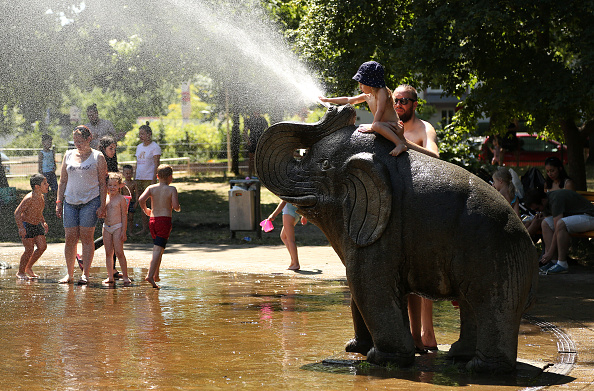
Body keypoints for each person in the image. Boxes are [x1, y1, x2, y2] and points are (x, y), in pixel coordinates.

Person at [391, 84, 439, 353]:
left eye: (404, 100)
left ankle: (427, 333)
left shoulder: (424, 129)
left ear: (415, 104)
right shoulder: (389, 125)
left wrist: (403, 141)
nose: (399, 104)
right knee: (403, 275)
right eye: (396, 100)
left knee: (422, 273)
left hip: (421, 206)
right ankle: (412, 336)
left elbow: (435, 155)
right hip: (397, 208)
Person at [319, 61, 407, 156]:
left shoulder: (382, 92)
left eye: (362, 84)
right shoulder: (368, 95)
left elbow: (380, 110)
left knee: (376, 126)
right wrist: (327, 99)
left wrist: (373, 126)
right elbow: (349, 99)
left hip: (393, 127)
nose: (360, 87)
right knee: (363, 126)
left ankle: (400, 144)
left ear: (370, 82)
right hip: (384, 126)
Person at [56, 125, 107, 285]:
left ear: (89, 139)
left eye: (80, 141)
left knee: (86, 237)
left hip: (90, 201)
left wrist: (103, 205)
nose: (77, 143)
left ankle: (85, 274)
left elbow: (102, 184)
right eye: (75, 141)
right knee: (70, 238)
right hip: (70, 201)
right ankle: (69, 274)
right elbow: (63, 180)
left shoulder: (98, 157)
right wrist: (59, 201)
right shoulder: (68, 154)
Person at [525, 188, 594, 274]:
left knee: (561, 224)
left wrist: (550, 252)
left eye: (537, 208)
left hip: (589, 216)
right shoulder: (545, 203)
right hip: (577, 217)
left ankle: (562, 263)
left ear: (542, 201)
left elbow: (558, 227)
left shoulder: (555, 200)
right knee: (545, 223)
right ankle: (553, 262)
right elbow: (552, 225)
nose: (537, 211)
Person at [138, 164, 180, 289]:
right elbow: (176, 206)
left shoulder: (151, 188)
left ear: (157, 176)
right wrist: (177, 208)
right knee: (157, 250)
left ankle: (156, 275)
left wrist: (146, 210)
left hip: (152, 221)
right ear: (170, 177)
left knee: (159, 248)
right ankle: (150, 275)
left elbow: (141, 199)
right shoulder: (172, 189)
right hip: (164, 221)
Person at [14, 174, 49, 280]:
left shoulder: (41, 196)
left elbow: (38, 211)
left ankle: (28, 267)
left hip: (36, 224)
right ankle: (20, 272)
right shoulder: (29, 198)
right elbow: (17, 212)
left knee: (42, 247)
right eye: (45, 183)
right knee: (29, 249)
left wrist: (43, 222)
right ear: (37, 186)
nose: (48, 185)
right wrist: (21, 228)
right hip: (27, 225)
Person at [102, 172, 131, 285]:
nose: (112, 187)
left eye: (115, 185)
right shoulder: (105, 198)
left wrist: (123, 231)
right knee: (108, 252)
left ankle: (125, 276)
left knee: (119, 252)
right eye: (110, 185)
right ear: (107, 186)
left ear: (120, 186)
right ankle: (110, 276)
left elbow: (124, 215)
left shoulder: (121, 199)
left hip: (117, 227)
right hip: (106, 227)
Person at [134, 122, 161, 236]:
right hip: (139, 178)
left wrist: (154, 179)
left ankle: (154, 229)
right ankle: (145, 228)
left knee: (152, 204)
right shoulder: (139, 147)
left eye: (143, 134)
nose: (141, 136)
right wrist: (135, 177)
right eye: (139, 134)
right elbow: (137, 163)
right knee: (142, 203)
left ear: (149, 134)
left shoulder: (155, 147)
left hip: (149, 179)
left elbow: (156, 164)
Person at [267, 200, 308, 271]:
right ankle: (293, 260)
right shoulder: (296, 189)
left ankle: (296, 264)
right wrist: (304, 216)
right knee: (284, 236)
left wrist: (273, 215)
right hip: (295, 214)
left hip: (288, 214)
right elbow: (303, 201)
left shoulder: (287, 189)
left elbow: (283, 202)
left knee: (291, 240)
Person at [244, 111, 269, 177]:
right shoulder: (249, 120)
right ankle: (250, 175)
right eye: (255, 111)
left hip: (261, 141)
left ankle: (260, 175)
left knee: (261, 159)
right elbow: (245, 131)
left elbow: (267, 130)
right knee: (251, 159)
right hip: (252, 142)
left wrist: (265, 140)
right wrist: (248, 141)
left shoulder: (263, 120)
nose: (256, 113)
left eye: (258, 111)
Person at [122, 164, 138, 235]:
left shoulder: (134, 183)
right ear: (123, 174)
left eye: (130, 173)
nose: (128, 175)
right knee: (123, 218)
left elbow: (137, 193)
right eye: (127, 173)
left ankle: (130, 231)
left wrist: (136, 202)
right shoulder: (122, 183)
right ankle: (123, 231)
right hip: (124, 203)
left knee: (131, 218)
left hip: (132, 202)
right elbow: (120, 193)